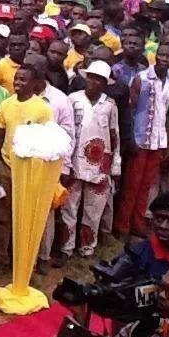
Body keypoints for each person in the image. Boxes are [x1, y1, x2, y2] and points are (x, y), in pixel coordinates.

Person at [0, 64, 55, 267]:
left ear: (34, 83)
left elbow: (46, 141)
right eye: (16, 78)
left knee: (27, 216)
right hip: (6, 167)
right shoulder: (6, 105)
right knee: (3, 215)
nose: (17, 83)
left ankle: (27, 259)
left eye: (23, 79)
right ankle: (1, 258)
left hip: (30, 171)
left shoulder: (42, 109)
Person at [61, 60, 120, 260]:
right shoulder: (72, 99)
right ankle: (65, 249)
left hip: (100, 166)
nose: (93, 83)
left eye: (99, 80)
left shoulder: (110, 105)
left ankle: (87, 248)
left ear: (104, 83)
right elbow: (66, 131)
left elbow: (114, 135)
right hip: (74, 164)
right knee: (68, 208)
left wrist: (115, 167)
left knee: (93, 211)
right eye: (91, 78)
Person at [118, 43, 169, 238]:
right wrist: (131, 140)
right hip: (139, 139)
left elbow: (168, 113)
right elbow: (131, 111)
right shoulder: (141, 78)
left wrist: (168, 141)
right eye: (161, 54)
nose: (164, 59)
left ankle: (137, 222)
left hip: (157, 140)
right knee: (131, 185)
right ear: (155, 55)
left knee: (145, 186)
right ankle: (122, 224)